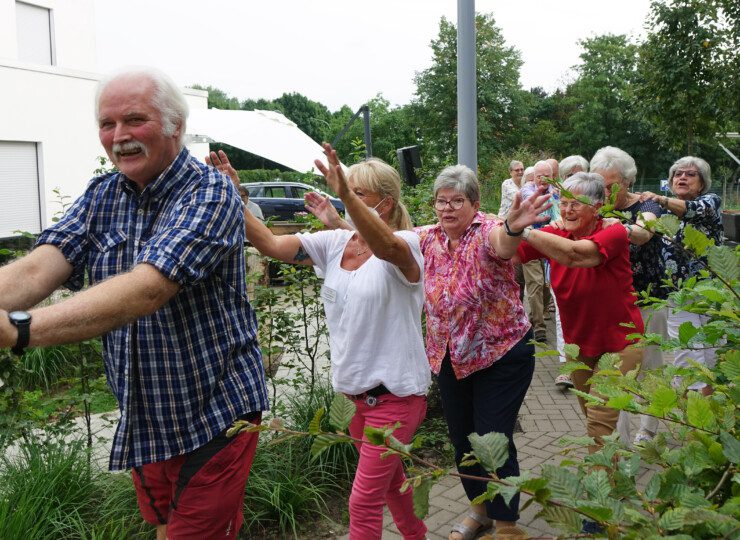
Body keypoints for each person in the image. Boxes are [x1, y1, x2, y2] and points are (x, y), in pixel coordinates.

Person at [0, 68, 268, 539]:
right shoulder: (102, 194)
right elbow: (41, 267)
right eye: (108, 124)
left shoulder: (210, 191)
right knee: (165, 525)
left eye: (134, 120)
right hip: (147, 414)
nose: (119, 136)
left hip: (216, 411)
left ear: (174, 126)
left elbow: (149, 287)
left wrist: (21, 329)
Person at [305, 163, 552, 540]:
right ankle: (480, 509)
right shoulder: (426, 237)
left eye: (457, 201)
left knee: (492, 440)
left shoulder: (488, 230)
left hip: (500, 355)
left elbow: (504, 244)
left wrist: (514, 228)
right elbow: (379, 240)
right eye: (442, 201)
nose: (448, 208)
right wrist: (336, 219)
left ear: (475, 202)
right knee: (462, 440)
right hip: (450, 357)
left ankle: (506, 524)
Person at [217, 144, 431, 540]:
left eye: (355, 193)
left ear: (383, 205)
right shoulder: (334, 244)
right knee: (389, 484)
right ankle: (416, 535)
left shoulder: (407, 244)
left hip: (397, 397)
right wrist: (235, 197)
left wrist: (345, 198)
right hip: (353, 399)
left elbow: (386, 247)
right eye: (344, 190)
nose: (343, 197)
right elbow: (270, 244)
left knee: (362, 502)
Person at [515, 172, 644, 454]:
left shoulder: (614, 231)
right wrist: (509, 225)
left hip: (621, 343)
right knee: (595, 421)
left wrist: (523, 230)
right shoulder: (555, 233)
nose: (567, 209)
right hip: (581, 346)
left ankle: (602, 492)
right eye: (563, 202)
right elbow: (510, 253)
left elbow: (577, 254)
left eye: (577, 203)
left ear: (597, 206)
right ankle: (616, 473)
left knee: (598, 420)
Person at [589, 146, 666, 445]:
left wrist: (615, 226)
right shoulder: (596, 209)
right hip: (610, 305)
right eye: (600, 186)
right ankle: (617, 437)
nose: (605, 193)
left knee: (650, 366)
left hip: (647, 300)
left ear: (628, 182)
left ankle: (648, 429)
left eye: (611, 186)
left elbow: (644, 233)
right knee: (612, 371)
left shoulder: (647, 207)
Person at [640, 156, 723, 394]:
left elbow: (694, 210)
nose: (682, 177)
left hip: (710, 291)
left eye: (690, 174)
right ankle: (693, 408)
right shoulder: (662, 211)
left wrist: (660, 199)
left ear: (702, 182)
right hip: (679, 293)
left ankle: (710, 410)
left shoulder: (711, 201)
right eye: (678, 174)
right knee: (688, 349)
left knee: (712, 351)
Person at [520, 161, 560, 343]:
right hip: (531, 240)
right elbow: (534, 201)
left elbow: (560, 212)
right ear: (533, 177)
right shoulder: (528, 189)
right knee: (535, 283)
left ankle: (540, 312)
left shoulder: (558, 191)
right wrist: (551, 194)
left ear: (552, 177)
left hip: (551, 242)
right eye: (539, 176)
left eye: (547, 176)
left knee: (547, 284)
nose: (542, 180)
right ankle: (539, 325)